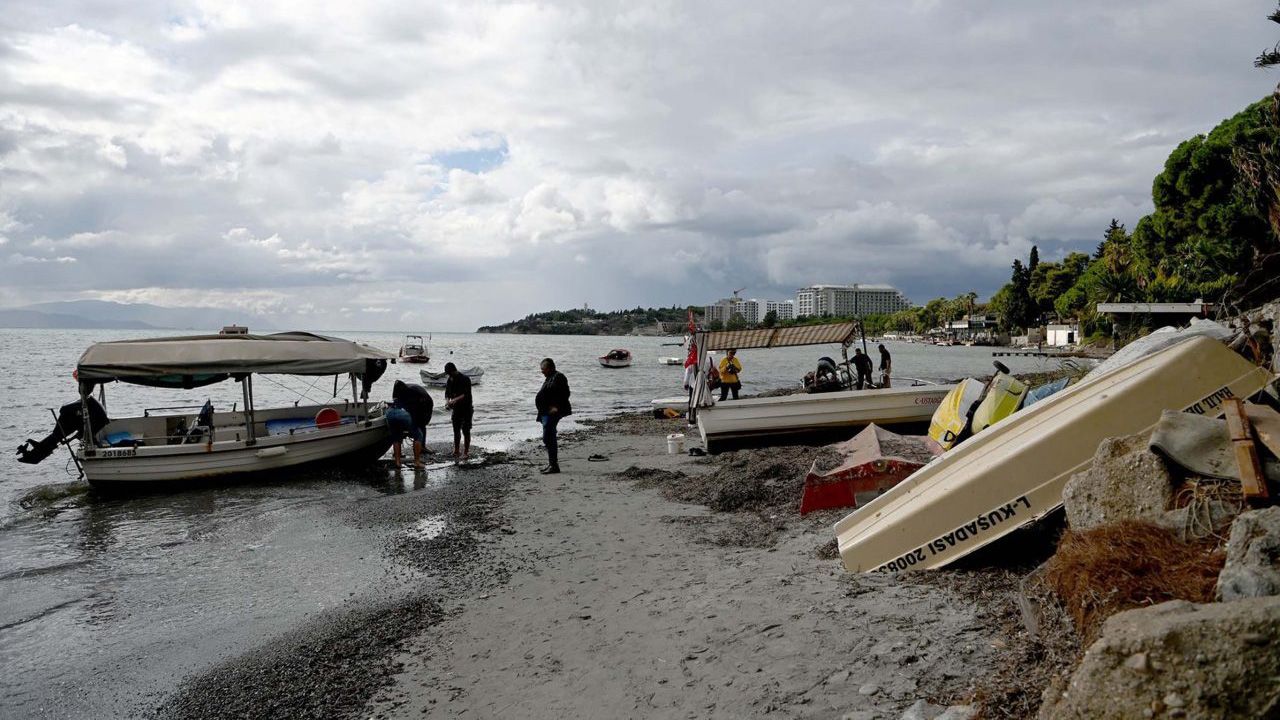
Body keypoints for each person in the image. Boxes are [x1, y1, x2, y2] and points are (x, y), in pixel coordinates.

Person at [535, 358, 572, 474]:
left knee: (548, 437)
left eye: (543, 369)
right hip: (546, 412)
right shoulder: (549, 377)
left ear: (550, 368)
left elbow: (565, 393)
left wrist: (556, 407)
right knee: (548, 437)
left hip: (553, 412)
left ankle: (554, 465)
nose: (542, 371)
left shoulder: (559, 377)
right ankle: (552, 464)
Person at [388, 379, 431, 469]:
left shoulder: (397, 393)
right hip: (403, 413)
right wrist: (416, 424)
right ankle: (417, 462)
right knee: (418, 435)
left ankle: (398, 462)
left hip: (390, 412)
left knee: (396, 438)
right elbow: (413, 412)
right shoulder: (414, 395)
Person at [443, 362, 474, 461]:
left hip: (466, 408)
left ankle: (466, 452)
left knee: (466, 430)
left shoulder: (465, 379)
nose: (449, 376)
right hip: (456, 409)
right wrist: (448, 402)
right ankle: (456, 450)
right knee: (456, 430)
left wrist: (454, 400)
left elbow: (465, 394)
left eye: (449, 373)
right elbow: (447, 394)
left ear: (453, 371)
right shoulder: (449, 380)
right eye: (447, 374)